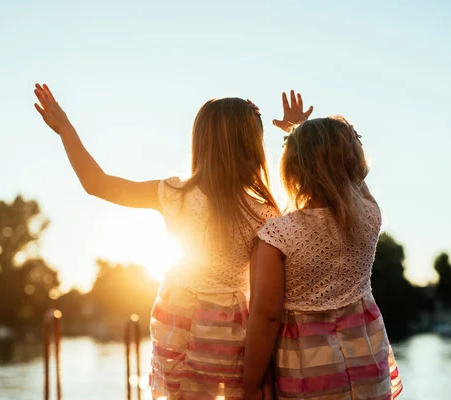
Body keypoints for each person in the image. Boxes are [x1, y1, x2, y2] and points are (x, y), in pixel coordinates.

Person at [33, 83, 280, 399]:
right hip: (231, 333)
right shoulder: (264, 211)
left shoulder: (175, 194)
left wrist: (65, 129)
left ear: (201, 142)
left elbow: (97, 184)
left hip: (177, 324)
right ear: (254, 146)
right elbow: (265, 299)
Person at [244, 93, 403, 399]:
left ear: (291, 168)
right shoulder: (369, 217)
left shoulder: (278, 235)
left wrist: (251, 385)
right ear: (355, 163)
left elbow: (266, 317)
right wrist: (301, 128)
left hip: (310, 371)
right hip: (367, 362)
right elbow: (355, 181)